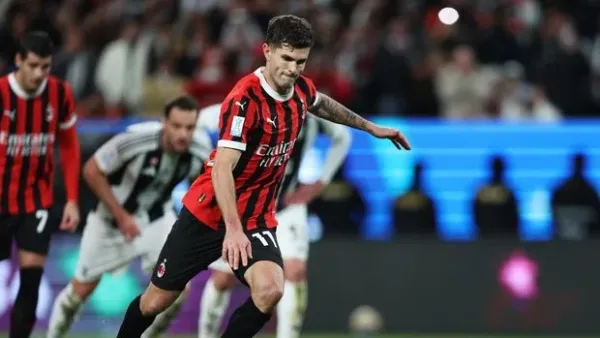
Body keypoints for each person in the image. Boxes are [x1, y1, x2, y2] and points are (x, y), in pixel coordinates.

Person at [115, 14, 410, 338]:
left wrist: (371, 127)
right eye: (287, 58)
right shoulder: (245, 100)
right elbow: (223, 168)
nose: (293, 68)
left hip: (256, 217)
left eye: (301, 61)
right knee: (155, 302)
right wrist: (232, 230)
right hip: (210, 214)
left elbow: (321, 103)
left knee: (270, 290)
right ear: (266, 50)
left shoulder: (299, 89)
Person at [46, 96, 212, 338]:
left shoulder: (200, 148)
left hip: (156, 220)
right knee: (80, 291)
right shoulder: (136, 140)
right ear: (164, 122)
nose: (183, 134)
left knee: (176, 290)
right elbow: (92, 170)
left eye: (189, 127)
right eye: (177, 126)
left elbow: (210, 182)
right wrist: (121, 215)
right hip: (109, 223)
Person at [199, 113, 351, 338]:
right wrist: (210, 166)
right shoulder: (248, 104)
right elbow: (201, 122)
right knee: (223, 278)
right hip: (244, 206)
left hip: (286, 206)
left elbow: (342, 136)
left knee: (294, 270)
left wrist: (321, 181)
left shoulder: (311, 112)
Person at [0, 31, 81, 338]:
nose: (38, 74)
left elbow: (69, 147)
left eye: (45, 67)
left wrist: (72, 199)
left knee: (31, 278)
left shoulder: (60, 94)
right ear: (18, 61)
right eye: (33, 65)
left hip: (37, 199)